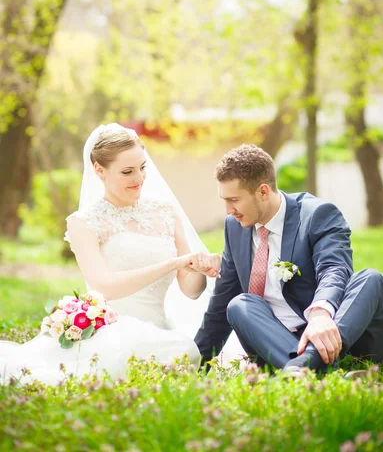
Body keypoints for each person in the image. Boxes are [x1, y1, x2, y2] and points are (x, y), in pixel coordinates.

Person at [0, 123, 221, 385]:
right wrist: (172, 263)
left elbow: (191, 290)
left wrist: (199, 269)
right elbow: (105, 287)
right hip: (112, 329)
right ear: (99, 170)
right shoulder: (84, 223)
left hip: (159, 328)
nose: (139, 178)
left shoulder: (166, 212)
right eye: (127, 171)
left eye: (142, 167)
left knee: (184, 351)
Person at [195, 144, 383, 375]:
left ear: (263, 191)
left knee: (371, 278)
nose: (227, 210)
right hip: (279, 342)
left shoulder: (317, 215)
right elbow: (220, 304)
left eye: (234, 200)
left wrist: (320, 314)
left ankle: (302, 369)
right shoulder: (234, 227)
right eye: (224, 200)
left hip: (333, 333)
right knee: (238, 305)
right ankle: (316, 371)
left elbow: (334, 268)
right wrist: (192, 369)